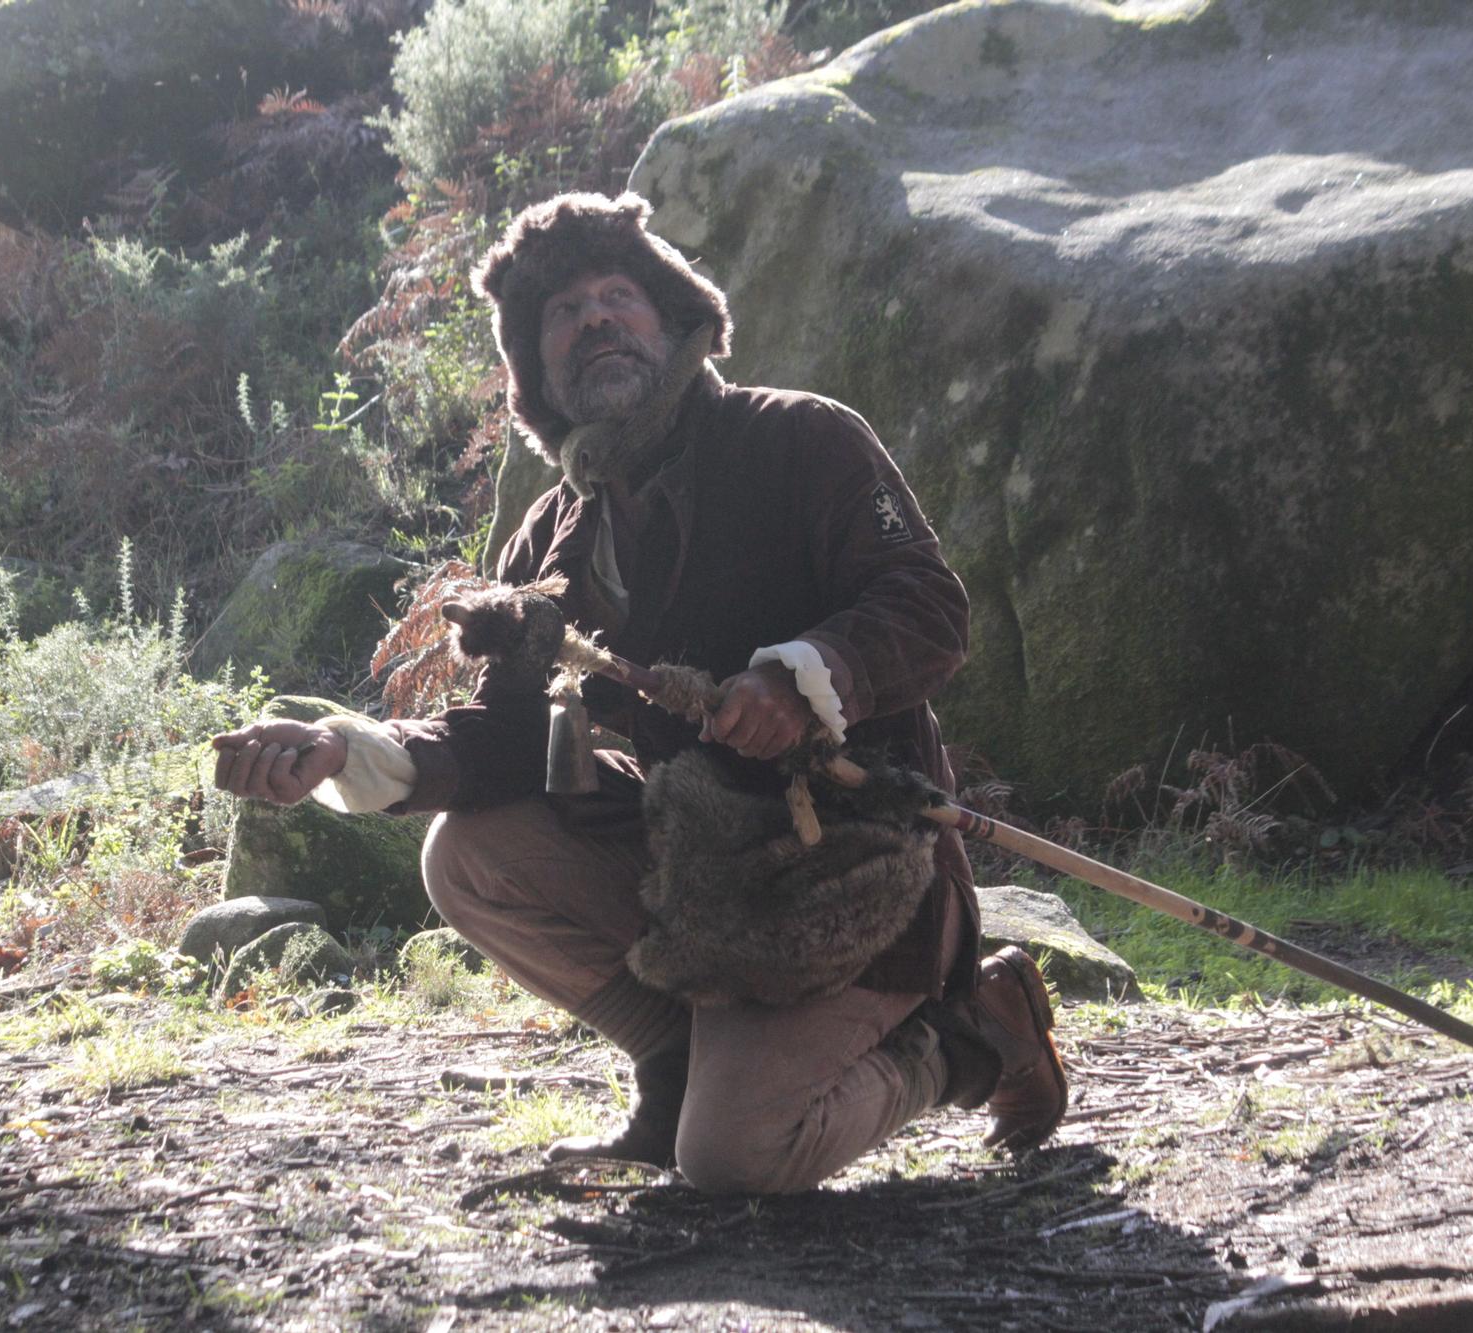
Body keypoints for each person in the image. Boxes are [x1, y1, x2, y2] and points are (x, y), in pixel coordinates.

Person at [210, 192, 1067, 1194]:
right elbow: (497, 736)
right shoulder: (545, 537)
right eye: (563, 314)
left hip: (860, 877)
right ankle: (674, 1065)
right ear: (537, 372)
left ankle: (964, 1036)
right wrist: (336, 748)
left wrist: (803, 675)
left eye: (618, 296)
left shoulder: (802, 438)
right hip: (699, 880)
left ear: (677, 324)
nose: (596, 319)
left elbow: (926, 607)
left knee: (735, 1159)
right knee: (470, 855)